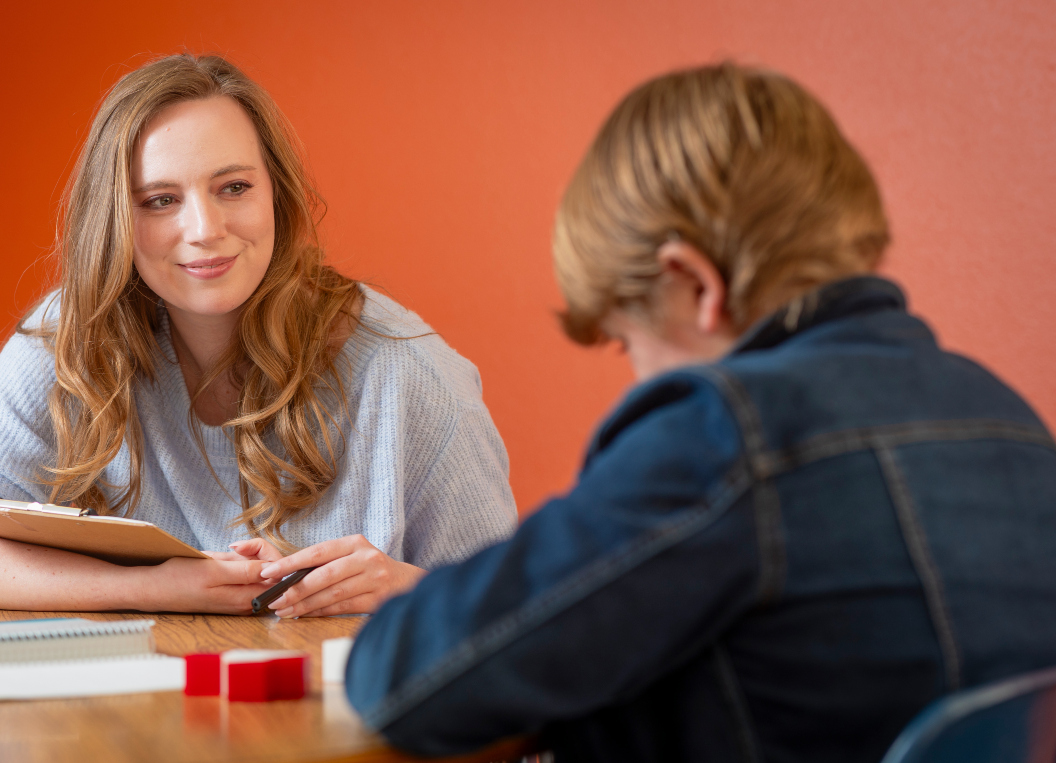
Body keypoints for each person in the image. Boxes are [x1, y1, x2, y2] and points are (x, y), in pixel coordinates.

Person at [342, 63, 1056, 761]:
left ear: (693, 285)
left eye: (626, 341)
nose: (632, 374)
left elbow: (406, 679)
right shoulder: (1008, 418)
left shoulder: (726, 434)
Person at [0, 54, 516, 616]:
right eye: (160, 200)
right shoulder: (69, 339)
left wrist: (409, 590)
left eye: (233, 188)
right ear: (116, 220)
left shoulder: (411, 373)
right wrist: (160, 586)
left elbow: (527, 610)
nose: (205, 228)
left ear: (278, 194)